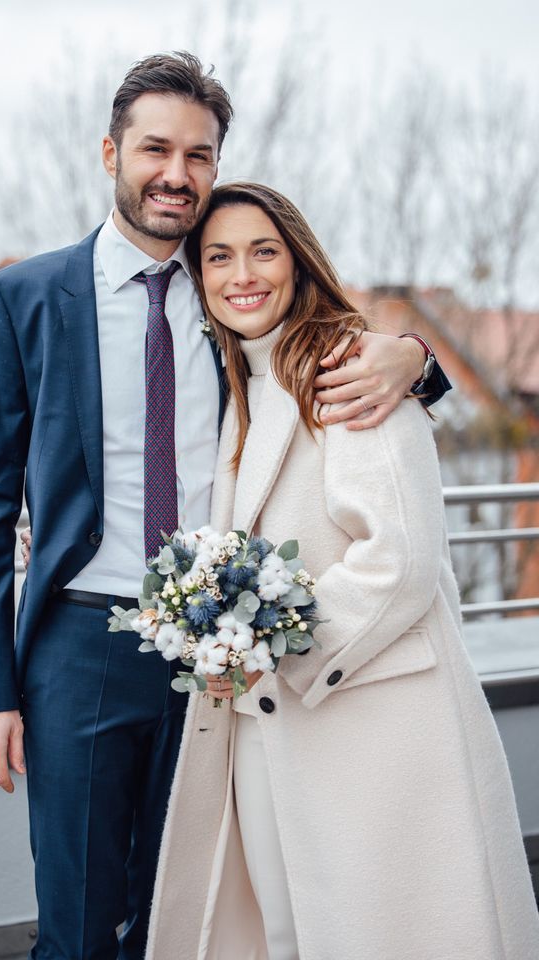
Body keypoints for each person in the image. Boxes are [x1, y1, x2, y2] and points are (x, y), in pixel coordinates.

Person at [0, 54, 450, 960]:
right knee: (79, 922)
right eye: (156, 149)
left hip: (226, 656)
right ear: (111, 153)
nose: (177, 174)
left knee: (199, 915)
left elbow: (329, 341)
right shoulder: (21, 301)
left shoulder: (233, 293)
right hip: (78, 647)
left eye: (200, 154)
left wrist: (416, 356)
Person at [143, 183, 539, 960]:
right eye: (218, 256)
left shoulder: (350, 370)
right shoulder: (238, 387)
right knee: (286, 928)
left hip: (371, 719)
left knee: (379, 931)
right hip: (266, 719)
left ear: (297, 259)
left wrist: (264, 642)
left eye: (264, 250)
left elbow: (400, 562)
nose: (241, 274)